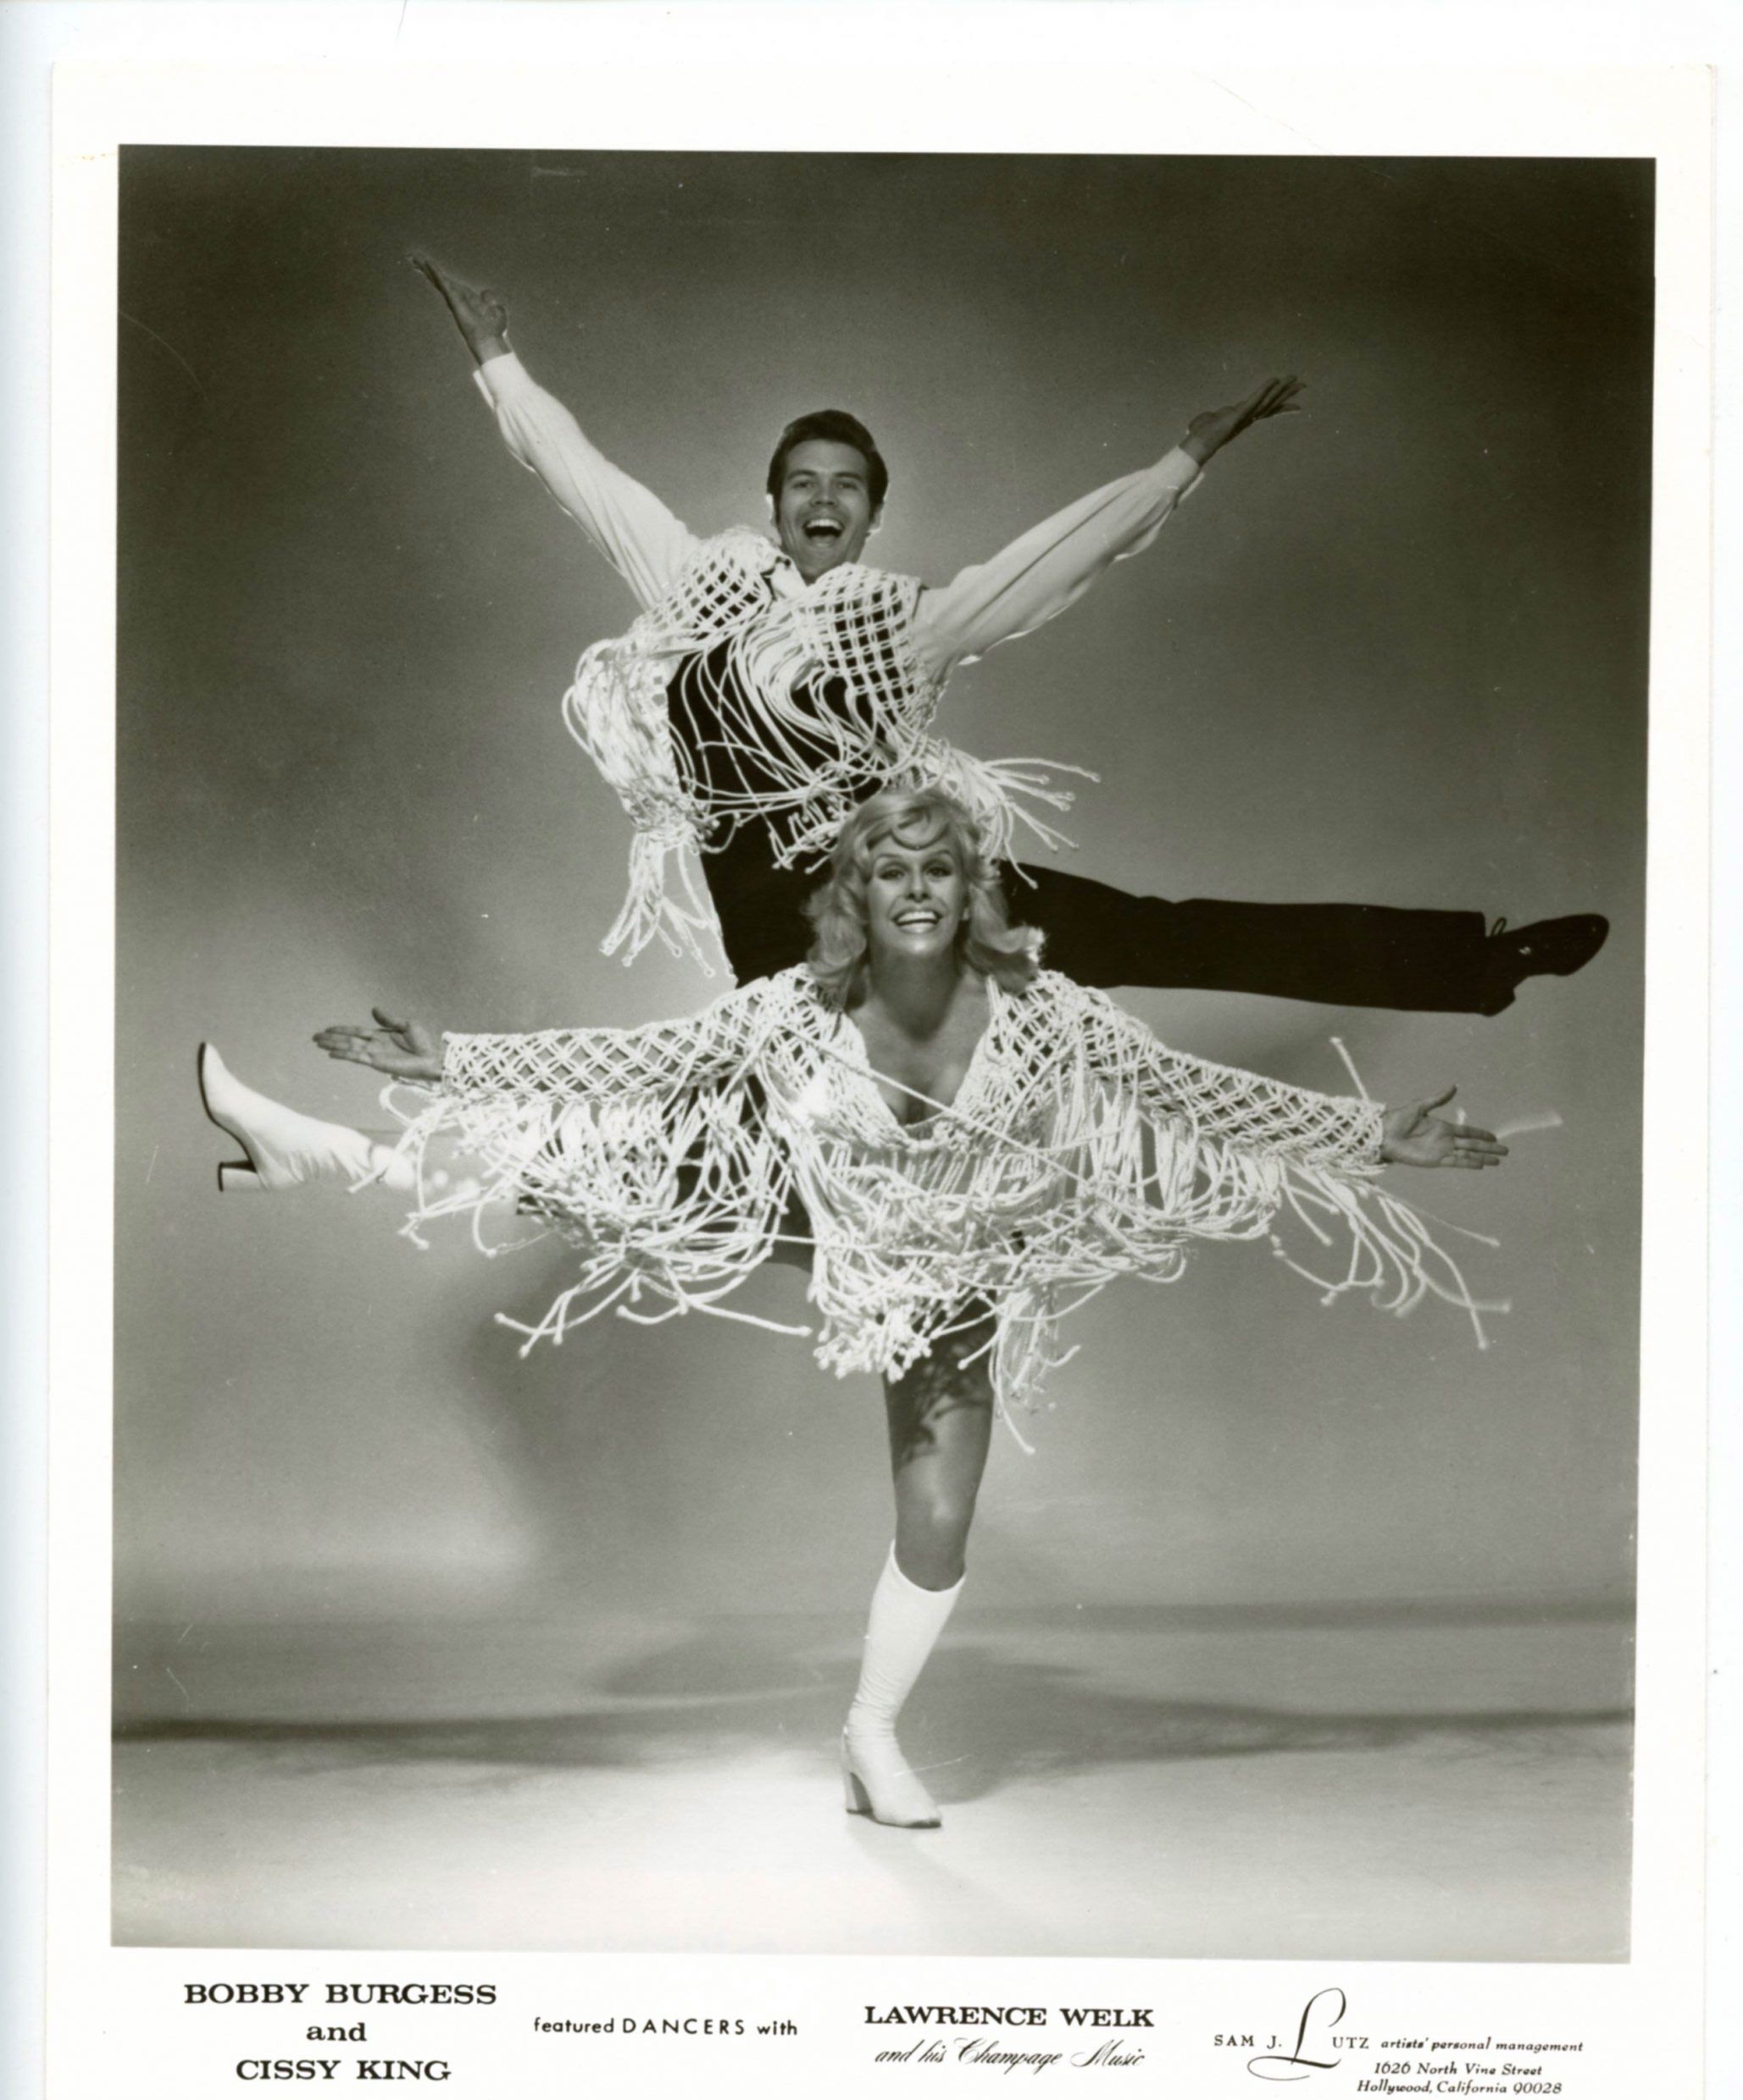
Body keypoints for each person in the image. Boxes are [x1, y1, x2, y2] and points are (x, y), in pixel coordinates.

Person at [198, 789, 1508, 1830]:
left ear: (971, 888)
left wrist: (1383, 1132)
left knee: (937, 1528)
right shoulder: (790, 1007)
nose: (920, 891)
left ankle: (871, 1735)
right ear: (856, 894)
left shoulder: (1047, 1014)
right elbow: (632, 1062)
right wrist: (453, 1058)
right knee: (597, 1182)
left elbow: (1192, 1098)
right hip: (811, 1214)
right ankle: (322, 1153)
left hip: (948, 1274)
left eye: (941, 869)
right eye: (893, 871)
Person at [410, 253, 1606, 1009]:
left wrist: (1179, 462)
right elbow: (585, 479)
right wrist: (498, 363)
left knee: (1154, 934)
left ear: (872, 514)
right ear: (771, 501)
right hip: (784, 945)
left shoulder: (903, 628)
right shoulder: (692, 583)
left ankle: (1476, 957)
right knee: (790, 1121)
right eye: (801, 484)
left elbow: (1049, 562)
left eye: (847, 488)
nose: (822, 502)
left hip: (916, 894)